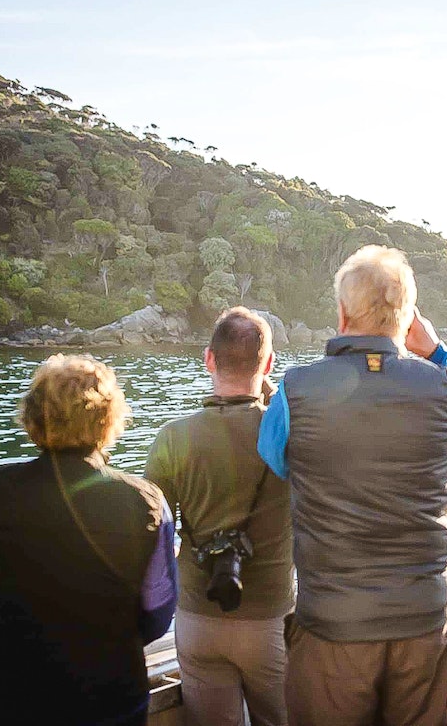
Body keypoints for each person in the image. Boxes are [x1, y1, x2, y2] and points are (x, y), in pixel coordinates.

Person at [256, 245, 447, 726]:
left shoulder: (296, 390)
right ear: (409, 318)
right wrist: (440, 353)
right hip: (422, 619)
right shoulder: (442, 387)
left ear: (340, 312)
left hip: (332, 620)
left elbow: (275, 459)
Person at [0, 354, 177, 726]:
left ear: (33, 417)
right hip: (109, 705)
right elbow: (157, 615)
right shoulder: (148, 504)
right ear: (108, 420)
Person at [145, 308, 293, 726]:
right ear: (267, 364)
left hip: (198, 617)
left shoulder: (173, 437)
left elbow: (152, 530)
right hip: (271, 619)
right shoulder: (285, 435)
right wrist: (270, 387)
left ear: (209, 359)